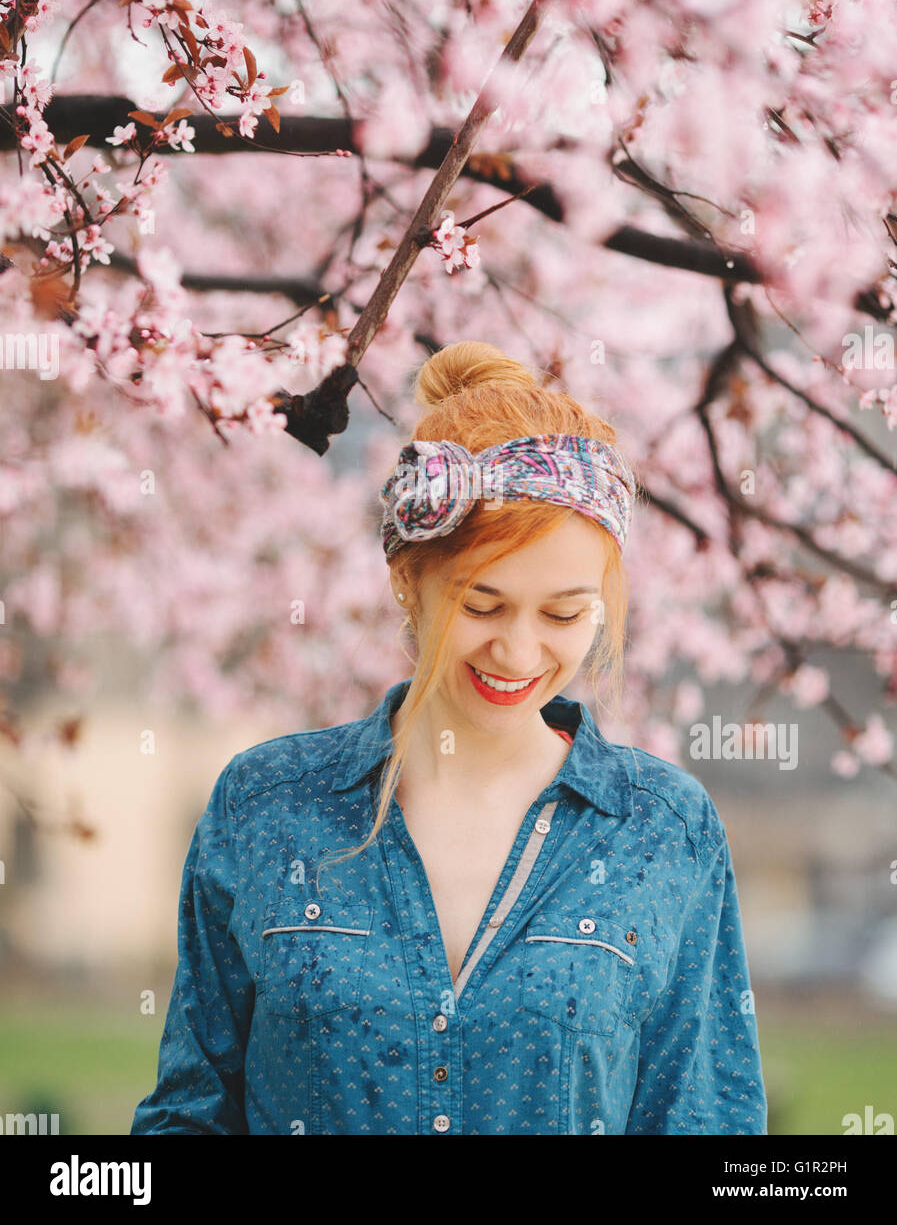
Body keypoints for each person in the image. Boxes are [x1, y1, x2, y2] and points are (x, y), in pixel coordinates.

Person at [131, 340, 767, 1135]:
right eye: (482, 604)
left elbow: (703, 1120)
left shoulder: (664, 827)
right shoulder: (266, 802)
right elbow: (189, 1114)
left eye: (564, 614)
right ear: (410, 581)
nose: (519, 651)